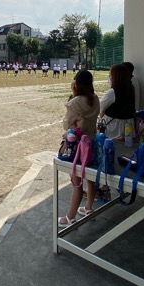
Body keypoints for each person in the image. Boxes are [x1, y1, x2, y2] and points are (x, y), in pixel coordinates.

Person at [58, 70, 100, 228]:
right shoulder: (95, 99)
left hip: (76, 148)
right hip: (92, 144)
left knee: (76, 182)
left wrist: (73, 97)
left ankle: (70, 217)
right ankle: (88, 207)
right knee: (89, 178)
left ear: (76, 85)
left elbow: (67, 125)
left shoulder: (74, 103)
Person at [99, 63, 136, 139]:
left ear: (115, 77)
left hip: (114, 128)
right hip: (128, 127)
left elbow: (100, 107)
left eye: (110, 75)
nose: (109, 77)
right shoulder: (130, 89)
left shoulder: (112, 92)